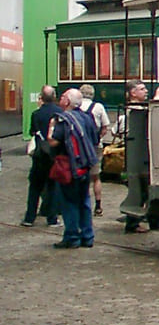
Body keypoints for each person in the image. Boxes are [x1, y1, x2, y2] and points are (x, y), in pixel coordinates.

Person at [47, 88, 100, 248]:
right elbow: (95, 138)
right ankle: (87, 236)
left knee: (69, 202)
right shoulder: (87, 118)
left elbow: (54, 142)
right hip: (85, 165)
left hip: (69, 167)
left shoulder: (63, 120)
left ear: (67, 102)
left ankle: (72, 237)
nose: (60, 99)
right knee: (84, 200)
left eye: (62, 97)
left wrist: (50, 129)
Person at [119, 79, 159, 234]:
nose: (145, 91)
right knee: (139, 189)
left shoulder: (139, 108)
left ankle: (155, 219)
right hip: (138, 156)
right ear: (133, 93)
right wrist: (157, 99)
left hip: (146, 154)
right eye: (142, 89)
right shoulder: (133, 109)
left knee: (149, 189)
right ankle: (132, 223)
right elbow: (149, 115)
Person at [21, 85, 62, 227]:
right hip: (54, 156)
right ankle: (52, 218)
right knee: (52, 187)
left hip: (39, 156)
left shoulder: (36, 114)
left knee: (34, 187)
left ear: (42, 98)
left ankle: (29, 218)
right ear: (54, 96)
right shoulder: (60, 112)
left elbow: (32, 132)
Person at [79, 84, 112, 216]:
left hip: (80, 147)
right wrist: (97, 138)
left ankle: (82, 203)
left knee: (81, 176)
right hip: (95, 146)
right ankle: (98, 206)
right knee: (96, 176)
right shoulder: (98, 107)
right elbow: (105, 126)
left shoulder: (76, 107)